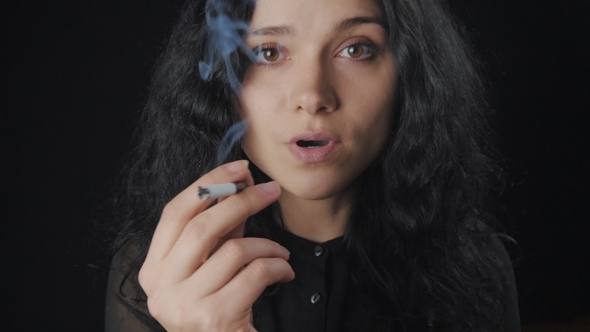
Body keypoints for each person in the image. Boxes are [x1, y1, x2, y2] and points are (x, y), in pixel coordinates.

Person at [105, 0, 520, 330]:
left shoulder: (475, 265)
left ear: (408, 75)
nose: (313, 94)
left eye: (355, 49)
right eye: (269, 52)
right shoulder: (160, 275)